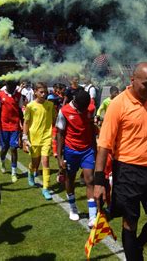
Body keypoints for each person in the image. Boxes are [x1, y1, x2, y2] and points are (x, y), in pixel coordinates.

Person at [94, 62, 147, 261]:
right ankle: (133, 255)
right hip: (127, 172)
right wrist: (98, 181)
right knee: (130, 222)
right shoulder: (118, 104)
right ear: (133, 80)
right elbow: (104, 145)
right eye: (146, 84)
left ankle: (136, 245)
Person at [56, 90, 97, 226]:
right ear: (75, 102)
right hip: (71, 150)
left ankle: (92, 216)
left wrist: (95, 149)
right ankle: (73, 208)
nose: (84, 111)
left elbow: (91, 128)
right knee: (70, 178)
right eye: (81, 108)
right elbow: (60, 134)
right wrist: (59, 157)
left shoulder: (90, 108)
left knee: (90, 179)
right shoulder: (64, 111)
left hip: (87, 150)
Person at [22, 82, 56, 200]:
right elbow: (26, 122)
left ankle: (45, 188)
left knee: (45, 161)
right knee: (35, 164)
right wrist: (24, 137)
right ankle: (31, 173)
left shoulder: (50, 105)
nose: (43, 94)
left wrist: (55, 135)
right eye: (41, 92)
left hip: (46, 137)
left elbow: (54, 120)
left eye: (45, 92)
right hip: (34, 138)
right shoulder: (30, 106)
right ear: (35, 92)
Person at [0, 80, 24, 183]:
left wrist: (23, 124)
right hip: (4, 126)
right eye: (10, 86)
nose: (12, 88)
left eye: (14, 86)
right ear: (6, 85)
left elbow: (20, 111)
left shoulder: (19, 95)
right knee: (4, 148)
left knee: (13, 148)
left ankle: (13, 172)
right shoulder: (0, 95)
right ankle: (2, 161)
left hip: (15, 126)